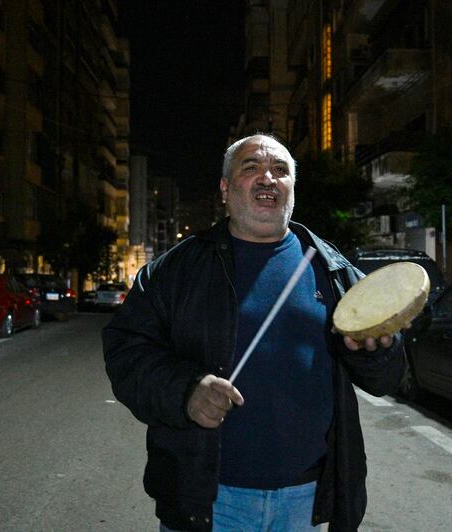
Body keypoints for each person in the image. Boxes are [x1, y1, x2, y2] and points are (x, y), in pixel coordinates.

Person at [102, 134, 406, 531]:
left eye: (280, 171)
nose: (268, 178)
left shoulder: (332, 269)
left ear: (292, 190)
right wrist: (186, 390)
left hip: (306, 502)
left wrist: (376, 350)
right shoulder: (176, 271)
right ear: (226, 189)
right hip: (208, 499)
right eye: (251, 168)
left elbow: (385, 376)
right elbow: (126, 353)